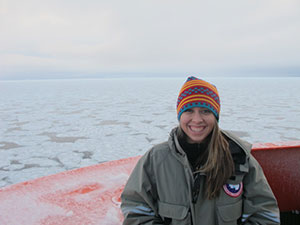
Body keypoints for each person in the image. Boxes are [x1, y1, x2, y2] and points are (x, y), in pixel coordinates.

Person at [121, 76, 280, 225]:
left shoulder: (239, 158)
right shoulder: (155, 160)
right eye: (189, 110)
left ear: (215, 116)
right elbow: (136, 209)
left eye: (205, 111)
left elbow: (264, 212)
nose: (197, 120)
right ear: (179, 114)